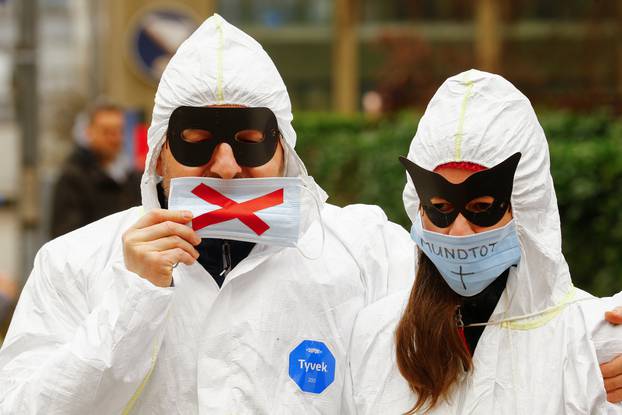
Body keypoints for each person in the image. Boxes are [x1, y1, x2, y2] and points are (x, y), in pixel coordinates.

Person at [0, 15, 414, 413]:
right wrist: (132, 301)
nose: (226, 166)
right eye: (196, 141)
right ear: (159, 157)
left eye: (251, 140)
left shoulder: (365, 252)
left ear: (285, 150)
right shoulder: (76, 262)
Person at [344, 69, 622, 414]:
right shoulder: (376, 336)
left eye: (481, 208)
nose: (459, 231)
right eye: (441, 208)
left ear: (526, 207)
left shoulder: (585, 340)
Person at [50, 100, 141, 238]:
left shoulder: (132, 177)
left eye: (118, 131)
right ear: (89, 133)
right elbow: (66, 237)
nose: (114, 138)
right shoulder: (73, 178)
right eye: (106, 132)